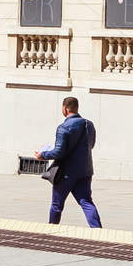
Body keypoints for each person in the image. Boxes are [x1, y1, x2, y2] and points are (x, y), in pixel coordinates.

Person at [38, 96, 101, 228]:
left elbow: (58, 152)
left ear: (65, 109)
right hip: (85, 171)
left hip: (65, 174)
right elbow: (91, 145)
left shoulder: (63, 127)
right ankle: (97, 230)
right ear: (76, 108)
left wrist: (42, 155)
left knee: (57, 205)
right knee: (86, 202)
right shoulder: (88, 124)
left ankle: (51, 229)